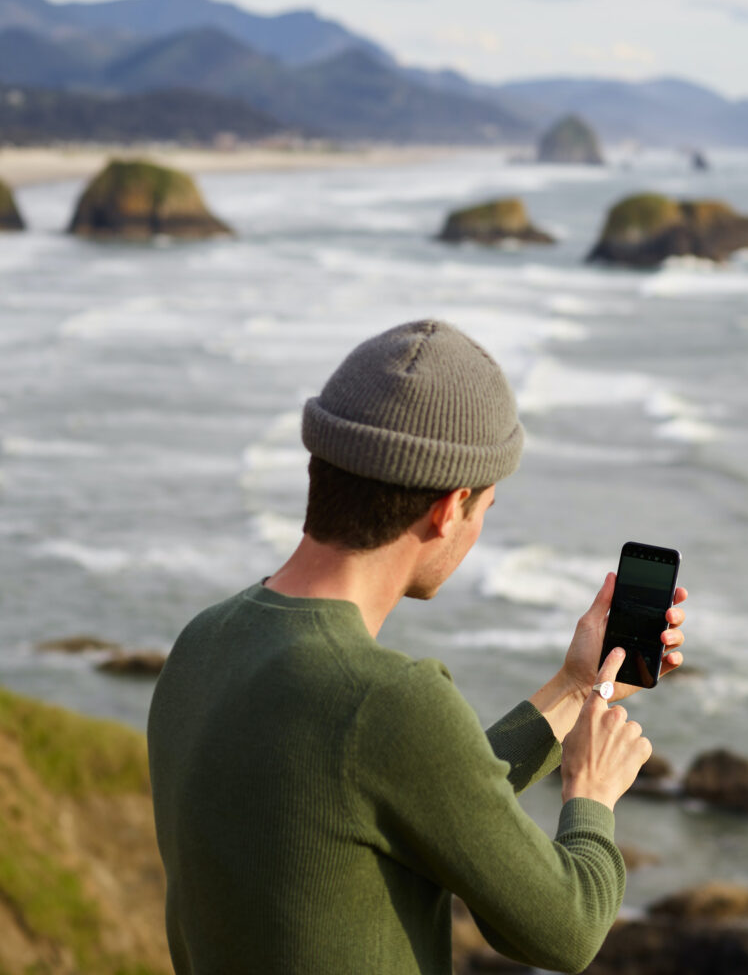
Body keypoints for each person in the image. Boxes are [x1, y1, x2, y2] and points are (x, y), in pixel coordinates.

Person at [147, 318, 686, 975]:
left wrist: (577, 686)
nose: (481, 524)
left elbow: (413, 788)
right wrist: (591, 792)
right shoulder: (386, 701)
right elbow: (566, 930)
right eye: (487, 504)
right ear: (448, 507)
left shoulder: (205, 640)